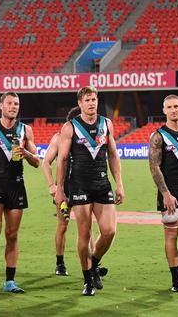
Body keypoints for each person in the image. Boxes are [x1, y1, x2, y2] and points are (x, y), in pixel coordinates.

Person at [55, 86, 124, 296]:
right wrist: (59, 189)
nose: (91, 103)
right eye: (87, 100)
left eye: (94, 99)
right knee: (84, 234)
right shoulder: (70, 127)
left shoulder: (106, 124)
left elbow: (112, 154)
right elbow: (62, 159)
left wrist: (119, 183)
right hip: (80, 186)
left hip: (102, 185)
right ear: (80, 104)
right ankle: (87, 281)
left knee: (109, 231)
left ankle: (93, 263)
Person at [0, 92, 39, 293]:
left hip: (16, 186)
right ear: (1, 106)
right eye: (10, 103)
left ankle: (9, 281)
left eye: (16, 104)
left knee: (12, 234)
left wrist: (27, 153)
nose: (13, 107)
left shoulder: (25, 130)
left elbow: (37, 162)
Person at [148, 94, 178, 292]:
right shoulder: (158, 136)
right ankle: (176, 278)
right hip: (170, 192)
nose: (174, 110)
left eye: (176, 106)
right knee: (171, 236)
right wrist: (166, 193)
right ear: (164, 110)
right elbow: (154, 167)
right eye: (170, 107)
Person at [41, 107, 81, 276]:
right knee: (63, 226)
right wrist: (52, 186)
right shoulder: (58, 138)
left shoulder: (86, 139)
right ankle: (60, 263)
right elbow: (46, 162)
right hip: (63, 190)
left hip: (82, 187)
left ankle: (93, 262)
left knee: (85, 227)